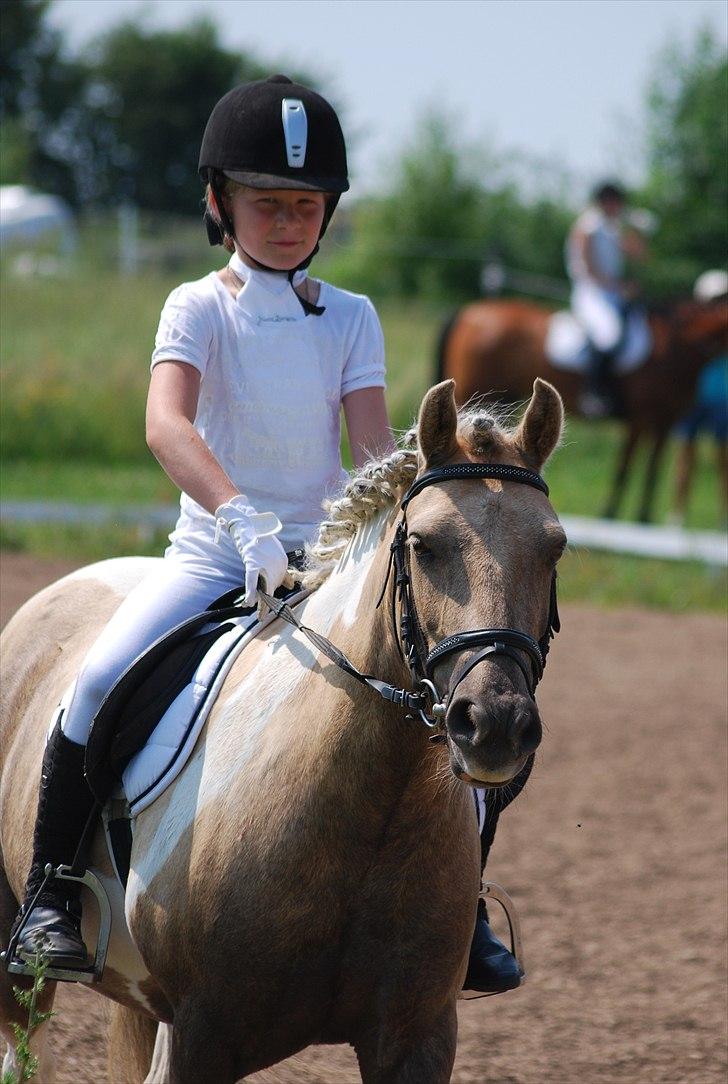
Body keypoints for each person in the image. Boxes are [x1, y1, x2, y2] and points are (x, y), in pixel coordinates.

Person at [10, 75, 521, 995]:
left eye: (304, 205)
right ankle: (49, 895)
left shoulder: (352, 316)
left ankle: (466, 904)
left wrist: (380, 527)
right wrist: (242, 521)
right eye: (266, 203)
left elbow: (373, 452)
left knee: (448, 703)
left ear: (326, 213)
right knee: (90, 683)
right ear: (219, 204)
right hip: (216, 552)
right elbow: (169, 426)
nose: (288, 221)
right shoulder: (197, 306)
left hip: (330, 560)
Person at [566, 181, 649, 417]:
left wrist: (637, 230)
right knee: (608, 334)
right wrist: (620, 286)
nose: (617, 206)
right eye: (613, 201)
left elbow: (640, 255)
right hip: (590, 293)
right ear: (604, 202)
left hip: (612, 293)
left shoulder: (613, 227)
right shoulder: (587, 227)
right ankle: (592, 393)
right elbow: (588, 269)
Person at [672, 270, 728, 526]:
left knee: (723, 459)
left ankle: (723, 518)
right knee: (685, 454)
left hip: (722, 397)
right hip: (694, 398)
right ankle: (677, 514)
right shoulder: (693, 327)